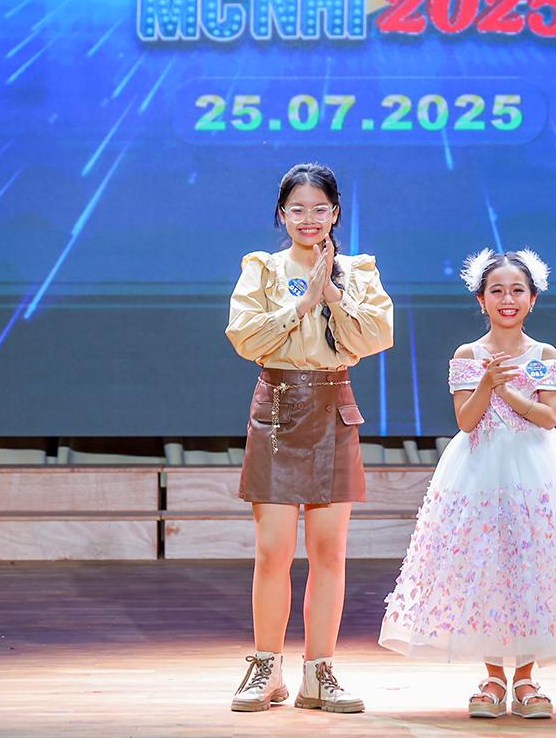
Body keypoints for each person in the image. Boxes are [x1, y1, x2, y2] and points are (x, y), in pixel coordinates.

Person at [379, 248, 556, 718]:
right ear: (481, 299)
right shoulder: (468, 354)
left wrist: (507, 391)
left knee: (533, 565)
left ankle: (525, 678)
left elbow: (548, 416)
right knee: (485, 566)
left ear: (533, 299)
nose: (508, 299)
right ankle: (491, 677)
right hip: (480, 468)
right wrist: (487, 384)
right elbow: (466, 421)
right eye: (497, 291)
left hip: (536, 467)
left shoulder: (544, 354)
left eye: (517, 291)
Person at [225, 162, 395, 714]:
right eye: (297, 209)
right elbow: (245, 338)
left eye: (320, 209)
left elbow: (376, 337)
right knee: (273, 550)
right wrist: (302, 303)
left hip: (332, 406)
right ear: (282, 214)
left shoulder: (358, 272)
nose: (309, 219)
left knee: (329, 551)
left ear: (335, 213)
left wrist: (334, 295)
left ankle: (319, 673)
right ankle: (266, 669)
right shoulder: (263, 268)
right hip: (276, 407)